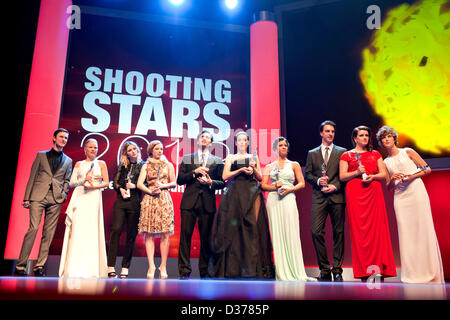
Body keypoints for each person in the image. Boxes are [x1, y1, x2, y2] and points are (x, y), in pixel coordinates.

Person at [376, 126, 444, 284]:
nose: (386, 140)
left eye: (389, 137)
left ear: (394, 138)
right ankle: (412, 273)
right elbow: (388, 186)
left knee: (422, 230)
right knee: (407, 234)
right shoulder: (385, 162)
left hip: (416, 192)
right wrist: (393, 179)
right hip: (400, 198)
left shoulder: (407, 151)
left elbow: (427, 169)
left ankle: (429, 272)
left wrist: (410, 176)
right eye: (383, 138)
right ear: (381, 142)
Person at [211, 132, 275, 279]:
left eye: (244, 140)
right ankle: (233, 268)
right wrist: (240, 169)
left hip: (252, 191)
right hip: (236, 192)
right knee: (234, 229)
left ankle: (252, 268)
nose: (241, 142)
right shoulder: (231, 157)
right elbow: (225, 176)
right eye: (239, 140)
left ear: (247, 143)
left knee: (252, 227)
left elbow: (260, 178)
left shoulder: (254, 157)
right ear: (235, 142)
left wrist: (254, 169)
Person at [339, 125, 396, 281]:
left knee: (377, 230)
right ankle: (364, 271)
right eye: (361, 135)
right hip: (355, 193)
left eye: (367, 135)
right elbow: (342, 176)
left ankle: (378, 270)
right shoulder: (346, 155)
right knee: (360, 232)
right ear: (355, 138)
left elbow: (384, 174)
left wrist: (373, 176)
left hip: (373, 192)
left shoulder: (375, 153)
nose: (364, 137)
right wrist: (357, 172)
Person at [14, 129, 72, 276]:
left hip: (55, 199)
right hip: (38, 196)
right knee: (33, 229)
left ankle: (39, 266)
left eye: (66, 138)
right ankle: (21, 265)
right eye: (61, 137)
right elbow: (32, 176)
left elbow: (67, 180)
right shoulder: (41, 155)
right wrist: (27, 197)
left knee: (49, 232)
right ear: (54, 138)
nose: (63, 139)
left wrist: (64, 194)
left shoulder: (68, 160)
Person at [262, 137, 314, 281]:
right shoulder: (268, 167)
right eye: (281, 145)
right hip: (273, 201)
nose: (284, 147)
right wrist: (275, 187)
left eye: (285, 145)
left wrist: (290, 188)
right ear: (275, 149)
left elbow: (302, 183)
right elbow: (263, 185)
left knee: (291, 233)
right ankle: (282, 271)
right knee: (277, 234)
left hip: (289, 199)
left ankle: (296, 271)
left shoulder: (294, 164)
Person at [176, 130, 225, 279]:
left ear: (211, 143)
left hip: (207, 203)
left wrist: (211, 182)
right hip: (189, 202)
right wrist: (194, 172)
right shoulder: (187, 158)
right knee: (185, 238)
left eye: (208, 138)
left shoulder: (217, 161)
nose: (205, 139)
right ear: (198, 141)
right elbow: (180, 180)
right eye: (202, 137)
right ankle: (184, 271)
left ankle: (205, 272)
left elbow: (222, 183)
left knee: (205, 239)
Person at [59, 138, 109, 278]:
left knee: (91, 230)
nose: (93, 149)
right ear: (85, 149)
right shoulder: (79, 164)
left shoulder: (101, 163)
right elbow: (71, 183)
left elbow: (106, 182)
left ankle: (92, 268)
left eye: (95, 147)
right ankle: (74, 268)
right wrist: (84, 181)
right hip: (80, 197)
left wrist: (94, 186)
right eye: (91, 147)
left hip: (94, 198)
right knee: (78, 230)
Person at [305, 120, 347, 282]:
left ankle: (337, 269)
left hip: (337, 196)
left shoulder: (342, 152)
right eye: (327, 131)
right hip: (319, 197)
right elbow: (308, 174)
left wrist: (334, 186)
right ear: (321, 133)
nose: (330, 134)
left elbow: (344, 175)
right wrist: (318, 181)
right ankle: (324, 269)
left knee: (338, 233)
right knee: (316, 232)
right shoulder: (312, 153)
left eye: (332, 131)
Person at [137, 140, 176, 279]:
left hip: (164, 198)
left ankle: (163, 266)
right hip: (150, 199)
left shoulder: (168, 164)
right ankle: (151, 265)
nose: (160, 151)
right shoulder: (146, 165)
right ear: (151, 151)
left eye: (161, 149)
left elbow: (174, 182)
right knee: (149, 233)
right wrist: (149, 190)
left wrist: (163, 186)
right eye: (157, 149)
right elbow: (139, 183)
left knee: (165, 233)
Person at [107, 142, 144, 279]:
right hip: (121, 200)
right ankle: (110, 266)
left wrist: (135, 186)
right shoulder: (123, 165)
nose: (133, 151)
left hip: (134, 201)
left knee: (131, 235)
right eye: (130, 150)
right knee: (116, 230)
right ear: (126, 153)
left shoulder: (143, 165)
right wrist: (120, 188)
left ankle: (125, 268)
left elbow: (145, 184)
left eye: (134, 148)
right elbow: (115, 181)